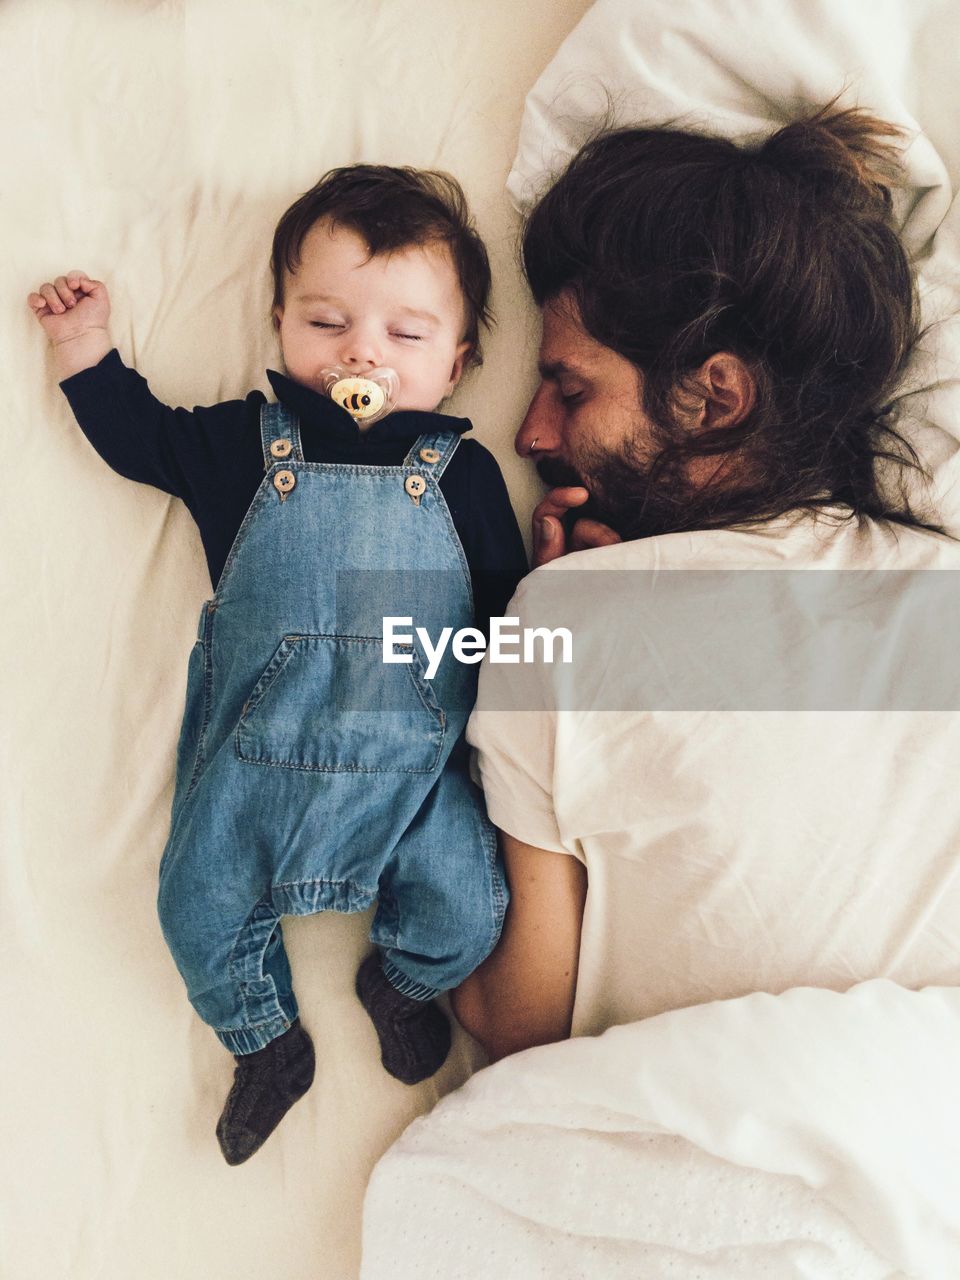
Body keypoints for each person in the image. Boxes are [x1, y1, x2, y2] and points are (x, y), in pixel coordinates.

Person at [28, 165, 525, 1163]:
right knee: (193, 905)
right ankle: (264, 1038)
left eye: (407, 335)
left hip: (413, 771)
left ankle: (399, 978)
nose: (363, 352)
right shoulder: (244, 446)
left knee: (470, 904)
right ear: (279, 326)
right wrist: (84, 348)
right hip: (254, 766)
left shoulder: (462, 473)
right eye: (327, 320)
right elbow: (141, 442)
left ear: (458, 363)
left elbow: (505, 615)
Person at [454, 105, 960, 1061]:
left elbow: (516, 1021)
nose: (530, 436)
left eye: (571, 389)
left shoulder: (558, 622)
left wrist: (542, 638)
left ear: (713, 398)